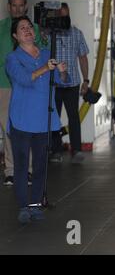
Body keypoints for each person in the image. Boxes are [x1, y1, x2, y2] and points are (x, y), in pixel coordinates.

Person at [6, 16, 68, 223]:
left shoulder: (46, 55)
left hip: (44, 119)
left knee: (41, 165)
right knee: (22, 165)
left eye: (30, 27)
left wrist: (62, 71)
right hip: (22, 119)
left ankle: (35, 205)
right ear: (15, 36)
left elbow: (61, 81)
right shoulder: (13, 58)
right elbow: (24, 79)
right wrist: (46, 69)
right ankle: (23, 206)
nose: (27, 30)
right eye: (22, 28)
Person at [0, 0, 42, 186]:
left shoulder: (32, 29)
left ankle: (28, 170)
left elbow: (40, 55)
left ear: (25, 7)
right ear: (9, 7)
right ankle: (10, 171)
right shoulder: (1, 28)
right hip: (5, 85)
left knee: (28, 128)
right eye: (13, 6)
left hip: (29, 86)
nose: (17, 9)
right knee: (8, 129)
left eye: (20, 5)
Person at [50, 3, 89, 164]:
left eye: (66, 15)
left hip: (72, 83)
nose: (64, 19)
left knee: (74, 117)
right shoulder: (49, 34)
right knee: (54, 118)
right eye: (61, 16)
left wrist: (86, 80)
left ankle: (77, 150)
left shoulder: (77, 34)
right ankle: (55, 150)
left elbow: (83, 58)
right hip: (54, 84)